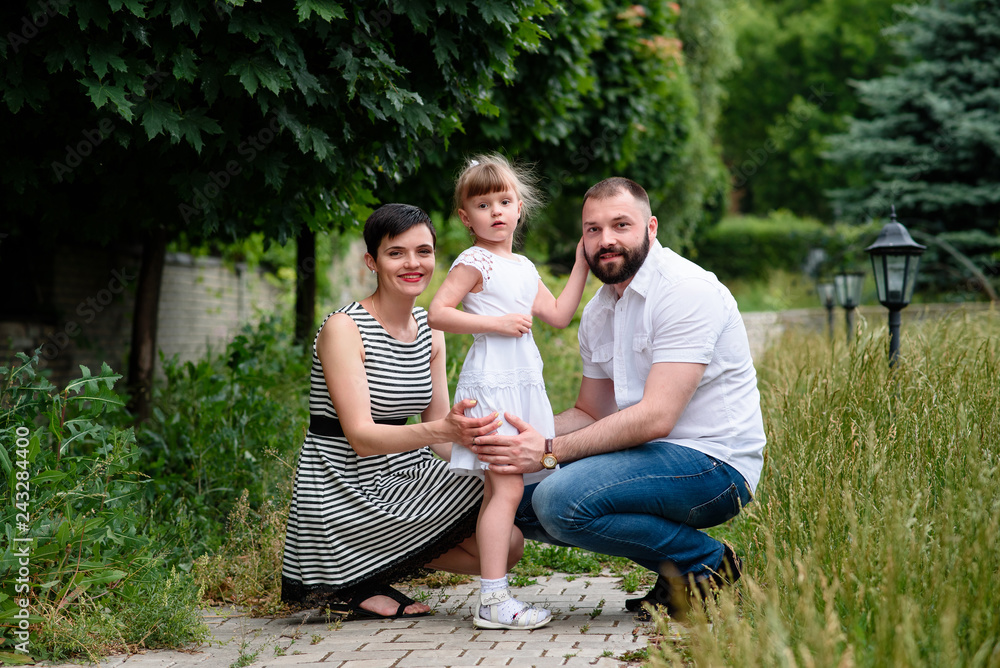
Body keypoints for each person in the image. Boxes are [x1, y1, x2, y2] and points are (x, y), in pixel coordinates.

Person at [468, 177, 767, 620]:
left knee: (557, 501)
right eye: (593, 229)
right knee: (509, 495)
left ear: (651, 227)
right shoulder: (599, 310)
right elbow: (590, 412)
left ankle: (705, 563)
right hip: (646, 459)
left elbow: (656, 417)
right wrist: (506, 439)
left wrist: (548, 451)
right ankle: (678, 575)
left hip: (713, 464)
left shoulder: (685, 290)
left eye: (620, 225)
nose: (605, 240)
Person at [281, 203, 519, 620]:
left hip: (401, 473)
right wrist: (445, 431)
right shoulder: (344, 328)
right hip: (342, 485)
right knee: (496, 519)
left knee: (507, 540)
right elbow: (362, 438)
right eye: (396, 253)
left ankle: (369, 567)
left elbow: (442, 437)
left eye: (423, 251)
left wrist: (491, 447)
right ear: (372, 262)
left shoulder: (430, 329)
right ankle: (350, 574)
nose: (413, 263)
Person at [427, 154, 589, 630]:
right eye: (483, 205)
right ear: (466, 217)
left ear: (520, 207)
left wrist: (581, 263)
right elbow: (438, 312)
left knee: (503, 488)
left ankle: (493, 594)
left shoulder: (522, 264)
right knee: (508, 486)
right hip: (493, 381)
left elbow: (558, 314)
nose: (495, 211)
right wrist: (495, 323)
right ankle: (493, 600)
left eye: (504, 201)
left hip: (522, 380)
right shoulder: (473, 261)